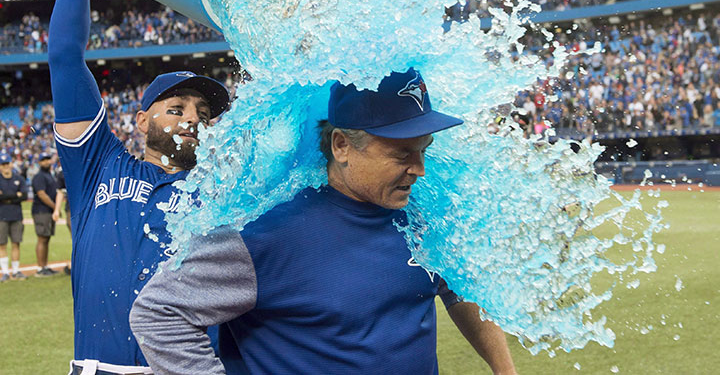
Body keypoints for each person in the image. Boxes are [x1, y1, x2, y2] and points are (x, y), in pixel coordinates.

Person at [131, 68, 517, 374]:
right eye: (402, 154)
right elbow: (159, 313)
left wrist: (504, 370)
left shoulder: (419, 219)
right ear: (342, 146)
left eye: (423, 151)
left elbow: (457, 289)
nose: (419, 170)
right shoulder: (265, 233)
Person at [49, 0, 230, 373]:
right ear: (142, 118)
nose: (193, 117)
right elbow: (65, 59)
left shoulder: (223, 194)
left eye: (203, 113)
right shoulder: (98, 165)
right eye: (177, 107)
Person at [0, 152, 28, 282]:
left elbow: (24, 196)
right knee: (2, 245)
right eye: (3, 164)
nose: (5, 166)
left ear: (11, 164)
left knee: (16, 243)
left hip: (16, 215)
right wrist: (14, 196)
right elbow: (18, 196)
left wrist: (5, 197)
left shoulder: (18, 178)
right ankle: (5, 272)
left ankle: (16, 271)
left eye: (7, 163)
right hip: (1, 217)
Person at [31, 153, 59, 277]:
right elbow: (41, 194)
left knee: (46, 238)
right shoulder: (39, 176)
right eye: (43, 160)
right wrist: (55, 207)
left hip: (47, 211)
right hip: (41, 210)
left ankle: (45, 266)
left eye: (48, 159)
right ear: (39, 162)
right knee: (42, 238)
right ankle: (40, 267)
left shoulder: (49, 175)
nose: (46, 162)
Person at [52, 166, 71, 275]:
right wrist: (56, 210)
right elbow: (60, 192)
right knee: (76, 238)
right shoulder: (63, 170)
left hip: (92, 207)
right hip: (72, 209)